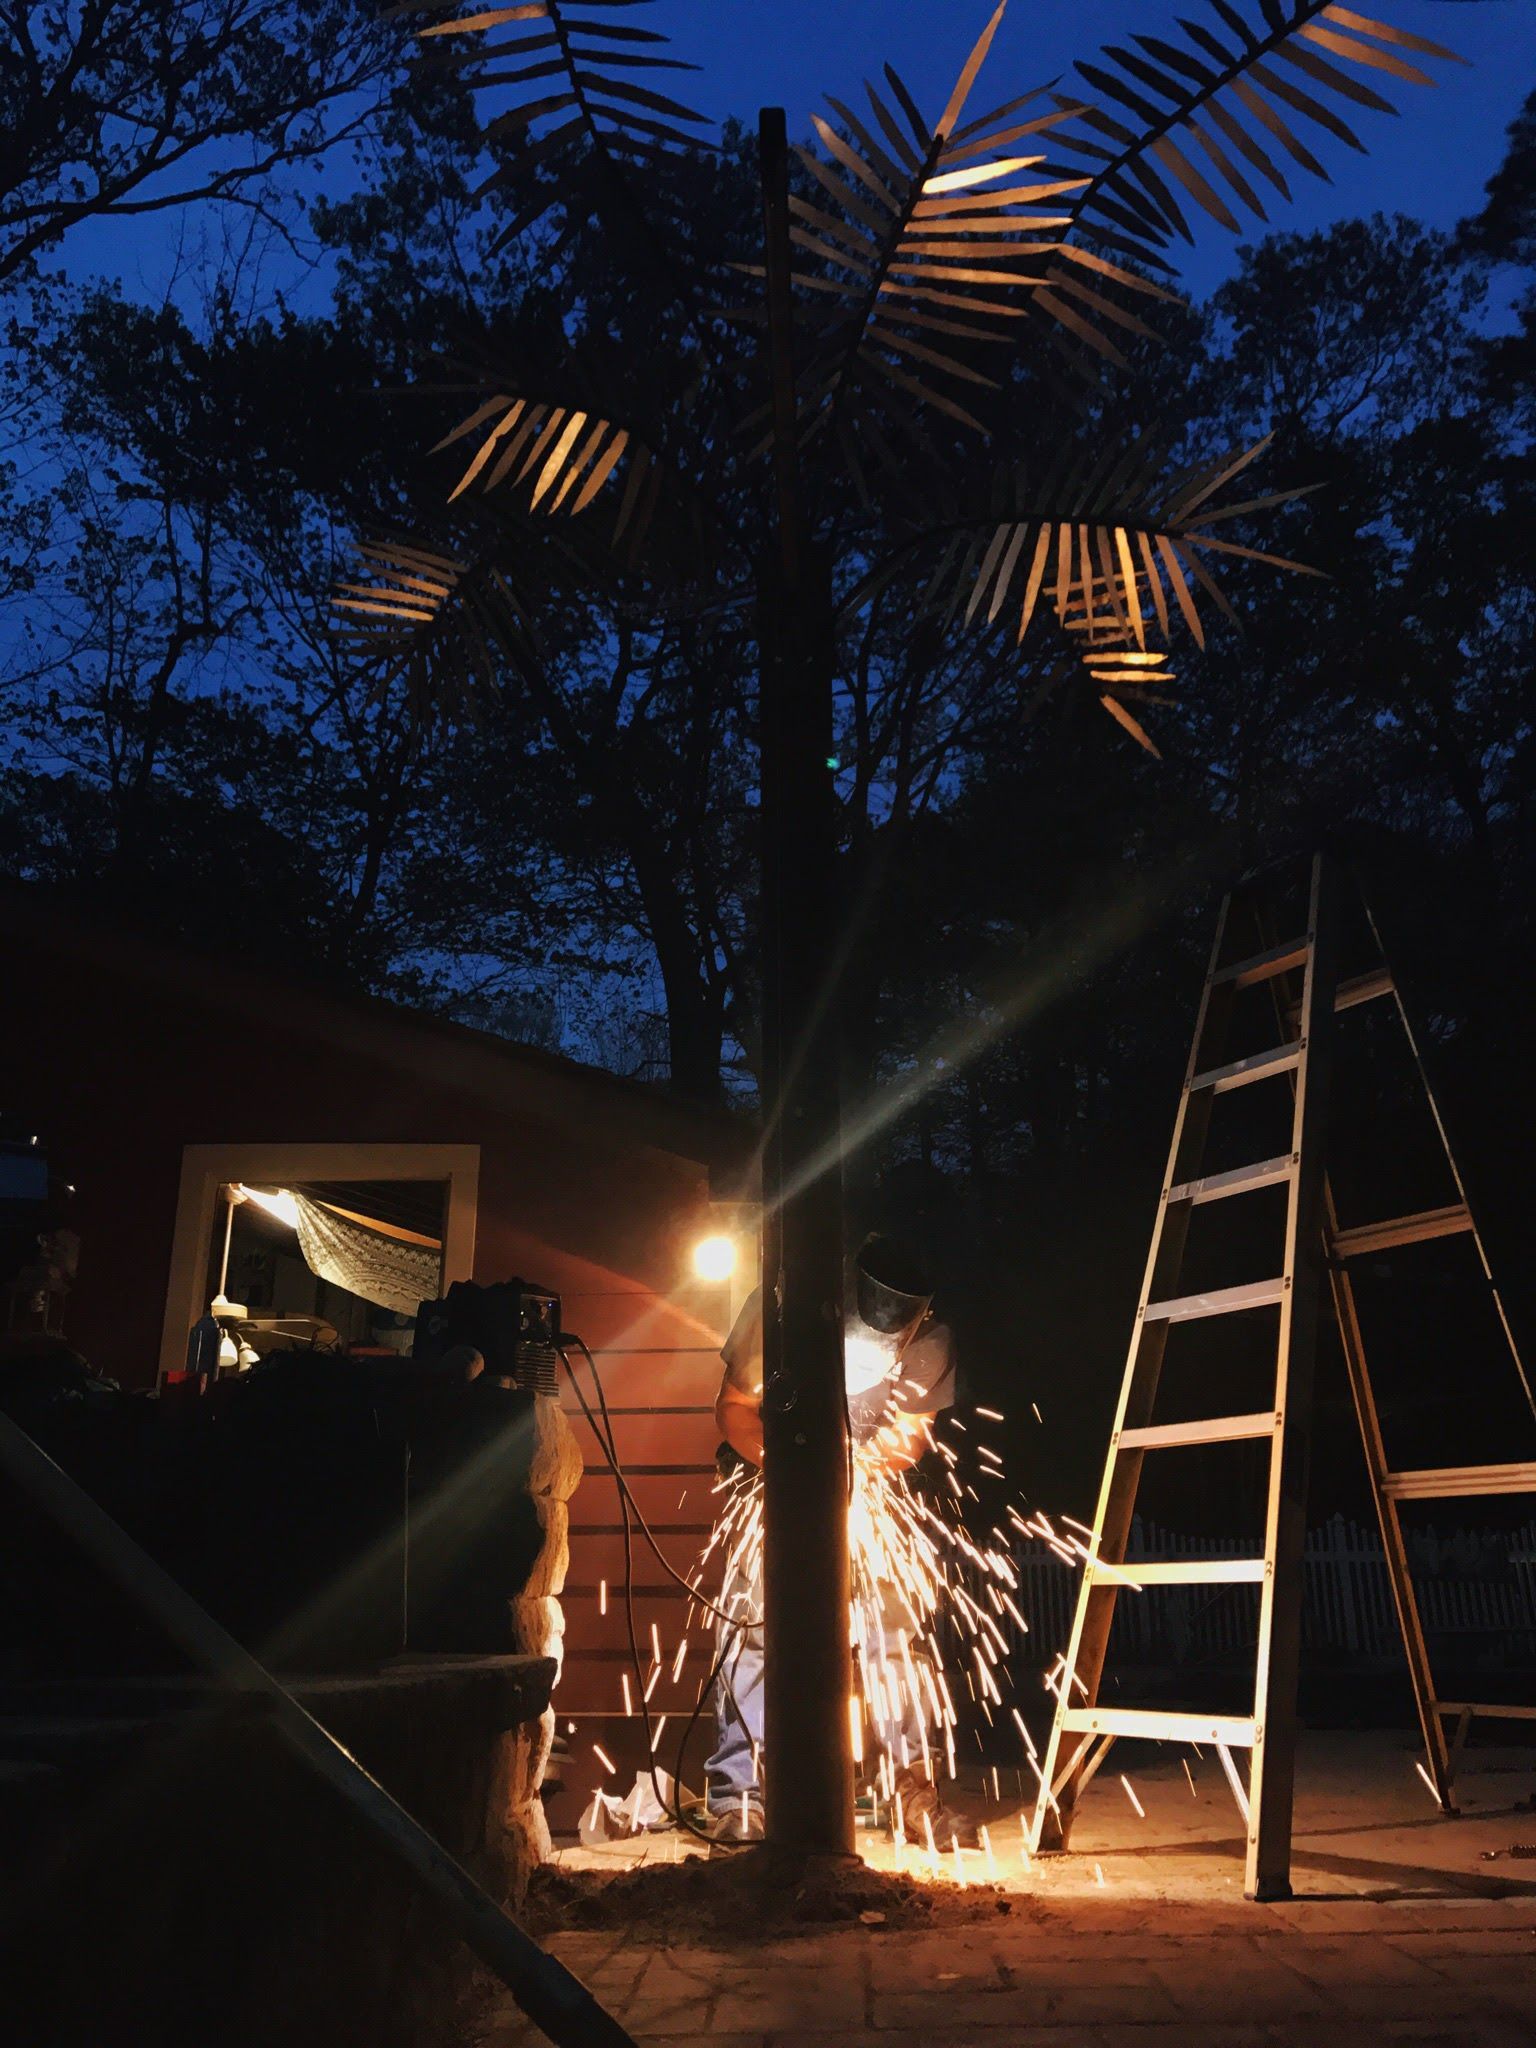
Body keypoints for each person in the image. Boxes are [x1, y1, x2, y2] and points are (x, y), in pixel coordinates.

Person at [704, 1232, 972, 1844]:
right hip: (774, 1481)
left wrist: (854, 1475)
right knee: (752, 1628)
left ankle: (914, 1791)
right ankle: (738, 1795)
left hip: (869, 1491)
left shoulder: (929, 1341)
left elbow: (909, 1436)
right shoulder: (778, 1308)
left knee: (895, 1634)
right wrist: (795, 1472)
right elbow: (734, 1408)